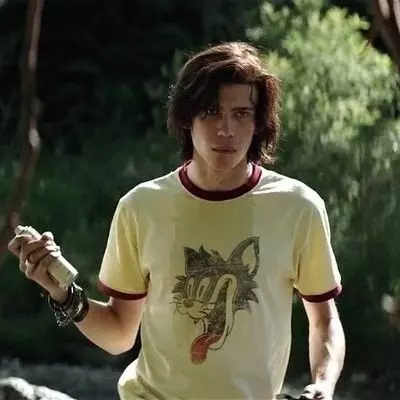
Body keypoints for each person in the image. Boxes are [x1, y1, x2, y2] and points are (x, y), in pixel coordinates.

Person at [8, 41, 345, 400]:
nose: (226, 129)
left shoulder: (298, 207)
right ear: (187, 117)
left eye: (241, 114)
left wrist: (322, 385)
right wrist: (62, 293)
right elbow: (120, 334)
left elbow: (324, 320)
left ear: (258, 121)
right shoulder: (141, 207)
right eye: (211, 112)